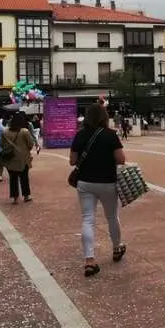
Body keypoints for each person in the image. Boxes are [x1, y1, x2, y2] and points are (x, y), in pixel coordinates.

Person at [70, 103, 126, 278]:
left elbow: (72, 161)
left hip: (85, 182)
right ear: (104, 117)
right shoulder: (111, 135)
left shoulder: (79, 135)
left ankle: (89, 260)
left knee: (88, 219)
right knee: (111, 216)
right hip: (108, 182)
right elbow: (121, 159)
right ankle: (116, 248)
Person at [1, 113, 36, 204]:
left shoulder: (5, 131)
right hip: (23, 159)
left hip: (10, 158)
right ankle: (26, 196)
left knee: (13, 178)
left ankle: (15, 197)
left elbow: (1, 145)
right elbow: (31, 144)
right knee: (24, 177)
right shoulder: (24, 131)